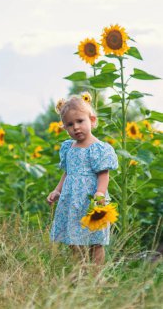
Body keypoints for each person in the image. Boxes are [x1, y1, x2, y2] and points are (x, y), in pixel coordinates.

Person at [47, 93, 118, 266]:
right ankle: (80, 272)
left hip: (92, 199)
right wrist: (58, 190)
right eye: (70, 124)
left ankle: (96, 275)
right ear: (65, 127)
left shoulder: (98, 148)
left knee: (96, 241)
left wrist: (100, 193)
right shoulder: (68, 148)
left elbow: (103, 174)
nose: (76, 127)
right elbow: (67, 173)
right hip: (71, 200)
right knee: (74, 240)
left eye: (80, 121)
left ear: (92, 120)